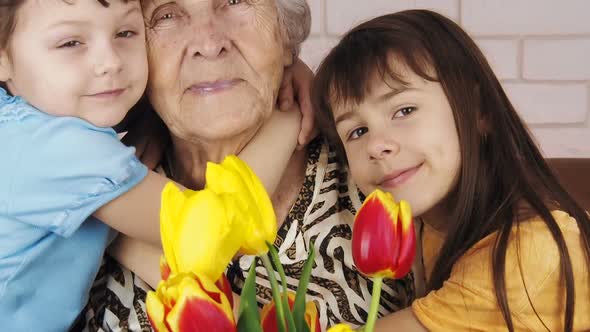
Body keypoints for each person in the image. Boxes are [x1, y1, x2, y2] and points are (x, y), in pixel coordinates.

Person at [83, 0, 417, 330]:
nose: (209, 44)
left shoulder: (382, 168)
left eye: (235, 1)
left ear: (286, 40)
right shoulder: (83, 197)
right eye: (167, 15)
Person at [0, 0, 304, 330]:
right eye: (70, 43)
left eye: (125, 32)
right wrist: (288, 119)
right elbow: (211, 234)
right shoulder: (56, 150)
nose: (111, 62)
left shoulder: (25, 128)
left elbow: (155, 258)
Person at [312, 10, 590, 331]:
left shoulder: (526, 255)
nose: (376, 145)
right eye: (357, 131)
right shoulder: (431, 219)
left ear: (478, 110)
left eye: (404, 110)